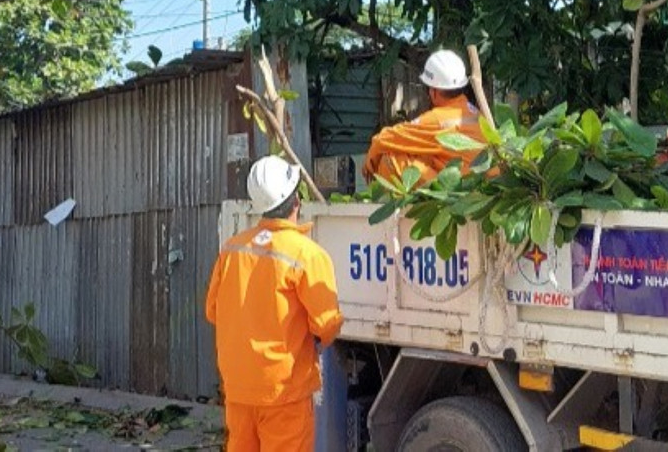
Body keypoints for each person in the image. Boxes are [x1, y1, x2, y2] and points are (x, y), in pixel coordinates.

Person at [207, 156, 343, 452]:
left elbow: (213, 311)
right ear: (297, 200)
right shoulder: (308, 255)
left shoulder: (231, 249)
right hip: (284, 392)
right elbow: (327, 325)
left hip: (239, 389)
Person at [363, 49, 487, 186]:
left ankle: (404, 203)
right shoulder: (476, 113)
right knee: (423, 153)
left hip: (462, 189)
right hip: (484, 185)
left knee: (391, 158)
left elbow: (385, 139)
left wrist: (370, 162)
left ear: (434, 90)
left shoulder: (436, 120)